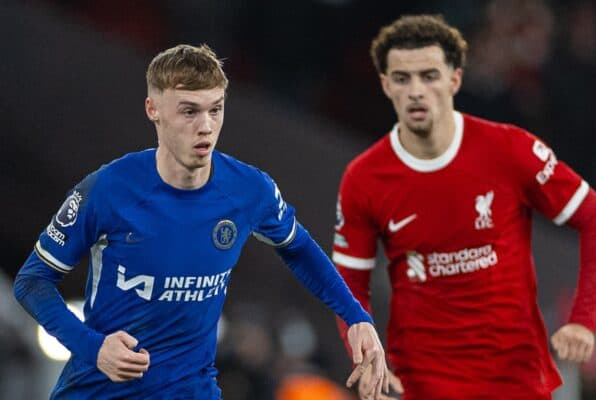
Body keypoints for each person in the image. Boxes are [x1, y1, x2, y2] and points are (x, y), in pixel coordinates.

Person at [13, 44, 388, 399]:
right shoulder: (108, 191)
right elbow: (32, 282)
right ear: (153, 109)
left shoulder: (248, 190)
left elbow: (299, 247)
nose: (206, 126)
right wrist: (93, 348)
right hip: (99, 390)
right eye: (189, 111)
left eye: (216, 109)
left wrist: (356, 316)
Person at [332, 14, 596, 400]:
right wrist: (363, 355)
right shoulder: (365, 178)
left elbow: (592, 215)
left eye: (430, 75)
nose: (416, 91)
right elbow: (348, 283)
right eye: (403, 79)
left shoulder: (510, 149)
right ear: (386, 85)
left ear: (455, 78)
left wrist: (582, 320)